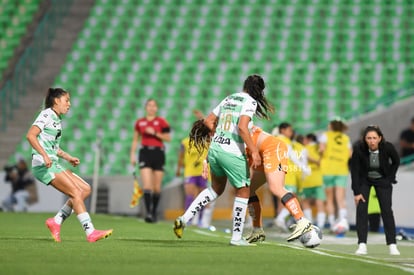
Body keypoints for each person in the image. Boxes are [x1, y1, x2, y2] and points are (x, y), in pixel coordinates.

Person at [173, 74, 271, 246]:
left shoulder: (229, 98)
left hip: (216, 149)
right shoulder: (250, 102)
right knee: (243, 191)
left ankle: (184, 218)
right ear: (258, 90)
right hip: (232, 152)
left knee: (215, 189)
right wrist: (254, 151)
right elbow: (242, 127)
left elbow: (208, 121)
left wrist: (218, 135)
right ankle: (236, 238)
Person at [26, 88, 112, 242]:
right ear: (57, 100)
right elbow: (31, 135)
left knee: (85, 189)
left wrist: (68, 157)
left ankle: (56, 221)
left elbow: (52, 147)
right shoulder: (46, 115)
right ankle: (90, 232)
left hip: (53, 163)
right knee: (76, 192)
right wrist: (44, 156)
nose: (69, 104)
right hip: (44, 165)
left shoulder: (56, 120)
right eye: (67, 100)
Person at [244, 126, 313, 243]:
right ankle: (257, 230)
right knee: (247, 189)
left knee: (276, 188)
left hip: (271, 149)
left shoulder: (234, 130)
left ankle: (302, 221)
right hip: (261, 152)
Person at [350, 125, 400, 255]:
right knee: (361, 209)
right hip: (364, 180)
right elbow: (354, 171)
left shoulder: (388, 147)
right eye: (368, 138)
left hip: (383, 180)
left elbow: (396, 161)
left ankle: (392, 245)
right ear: (364, 139)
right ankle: (362, 244)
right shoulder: (358, 149)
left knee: (386, 210)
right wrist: (356, 192)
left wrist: (390, 178)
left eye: (374, 138)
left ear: (380, 138)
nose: (372, 141)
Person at [130, 98, 171, 223]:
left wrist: (154, 133)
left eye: (154, 106)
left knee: (157, 187)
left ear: (157, 108)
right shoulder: (139, 122)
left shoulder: (162, 122)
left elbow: (168, 138)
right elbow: (135, 139)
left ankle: (154, 212)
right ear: (145, 107)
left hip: (158, 153)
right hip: (145, 153)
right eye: (149, 105)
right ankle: (148, 213)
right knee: (147, 185)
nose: (151, 108)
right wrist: (132, 154)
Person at [273, 123, 309, 231]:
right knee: (291, 197)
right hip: (287, 172)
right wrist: (303, 167)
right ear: (282, 130)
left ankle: (281, 220)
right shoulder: (283, 140)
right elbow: (292, 156)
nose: (291, 132)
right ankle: (280, 219)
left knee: (283, 199)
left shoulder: (278, 139)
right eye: (289, 130)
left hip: (282, 171)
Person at [319, 117, 352, 232]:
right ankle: (343, 221)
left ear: (331, 126)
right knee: (340, 198)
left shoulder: (325, 135)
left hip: (327, 169)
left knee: (329, 198)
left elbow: (322, 150)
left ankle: (333, 222)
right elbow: (350, 154)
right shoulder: (346, 138)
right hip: (341, 170)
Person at [176, 135, 215, 229]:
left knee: (202, 197)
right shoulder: (185, 142)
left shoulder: (207, 140)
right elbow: (181, 156)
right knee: (190, 195)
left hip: (204, 172)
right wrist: (178, 168)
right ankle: (187, 220)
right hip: (190, 172)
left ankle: (200, 220)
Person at [300, 133, 326, 230]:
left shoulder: (304, 148)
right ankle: (321, 224)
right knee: (320, 202)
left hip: (307, 179)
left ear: (309, 139)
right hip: (318, 179)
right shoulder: (320, 147)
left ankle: (309, 223)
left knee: (305, 201)